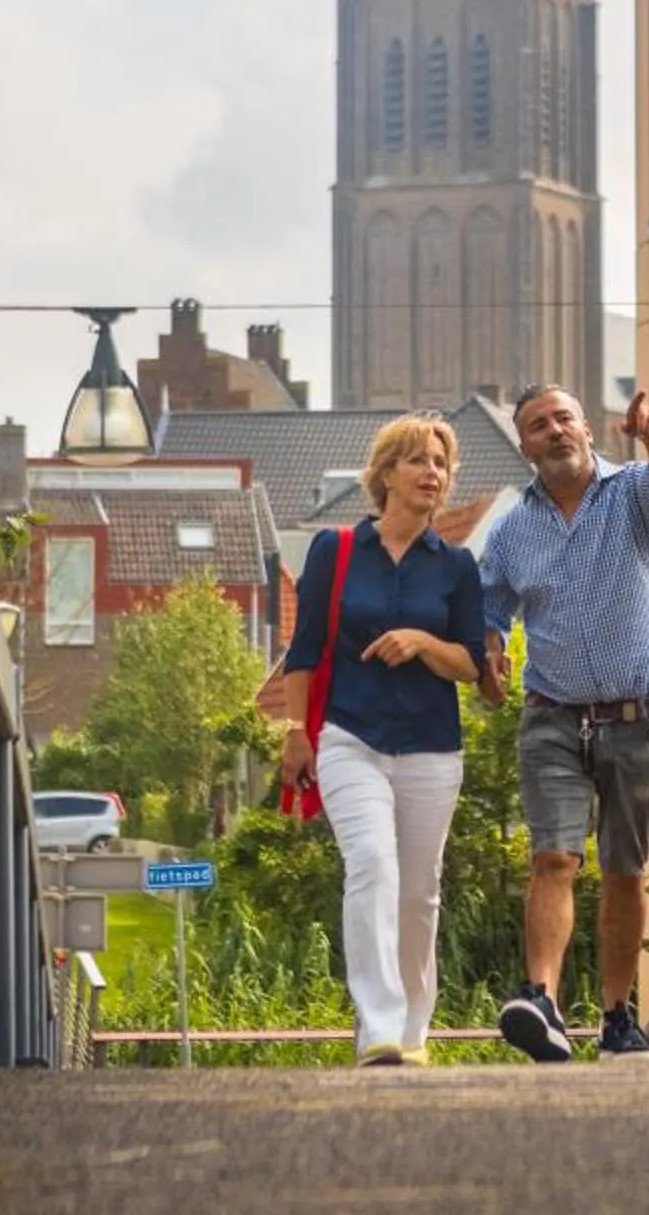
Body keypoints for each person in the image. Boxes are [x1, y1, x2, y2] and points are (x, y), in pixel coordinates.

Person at [480, 382, 649, 1064]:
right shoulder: (512, 530)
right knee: (555, 856)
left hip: (639, 716)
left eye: (564, 418)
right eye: (538, 425)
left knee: (625, 870)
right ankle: (540, 998)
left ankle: (617, 1018)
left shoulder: (633, 494)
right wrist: (489, 653)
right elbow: (489, 607)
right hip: (553, 717)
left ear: (587, 429)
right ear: (525, 445)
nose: (555, 431)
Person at [273, 413, 486, 1068]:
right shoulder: (334, 551)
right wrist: (294, 731)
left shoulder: (456, 567)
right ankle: (380, 1029)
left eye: (441, 464)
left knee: (419, 894)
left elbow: (471, 665)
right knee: (371, 865)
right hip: (350, 738)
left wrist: (423, 642)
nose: (432, 473)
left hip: (431, 749)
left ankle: (414, 1035)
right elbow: (303, 650)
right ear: (386, 474)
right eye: (418, 460)